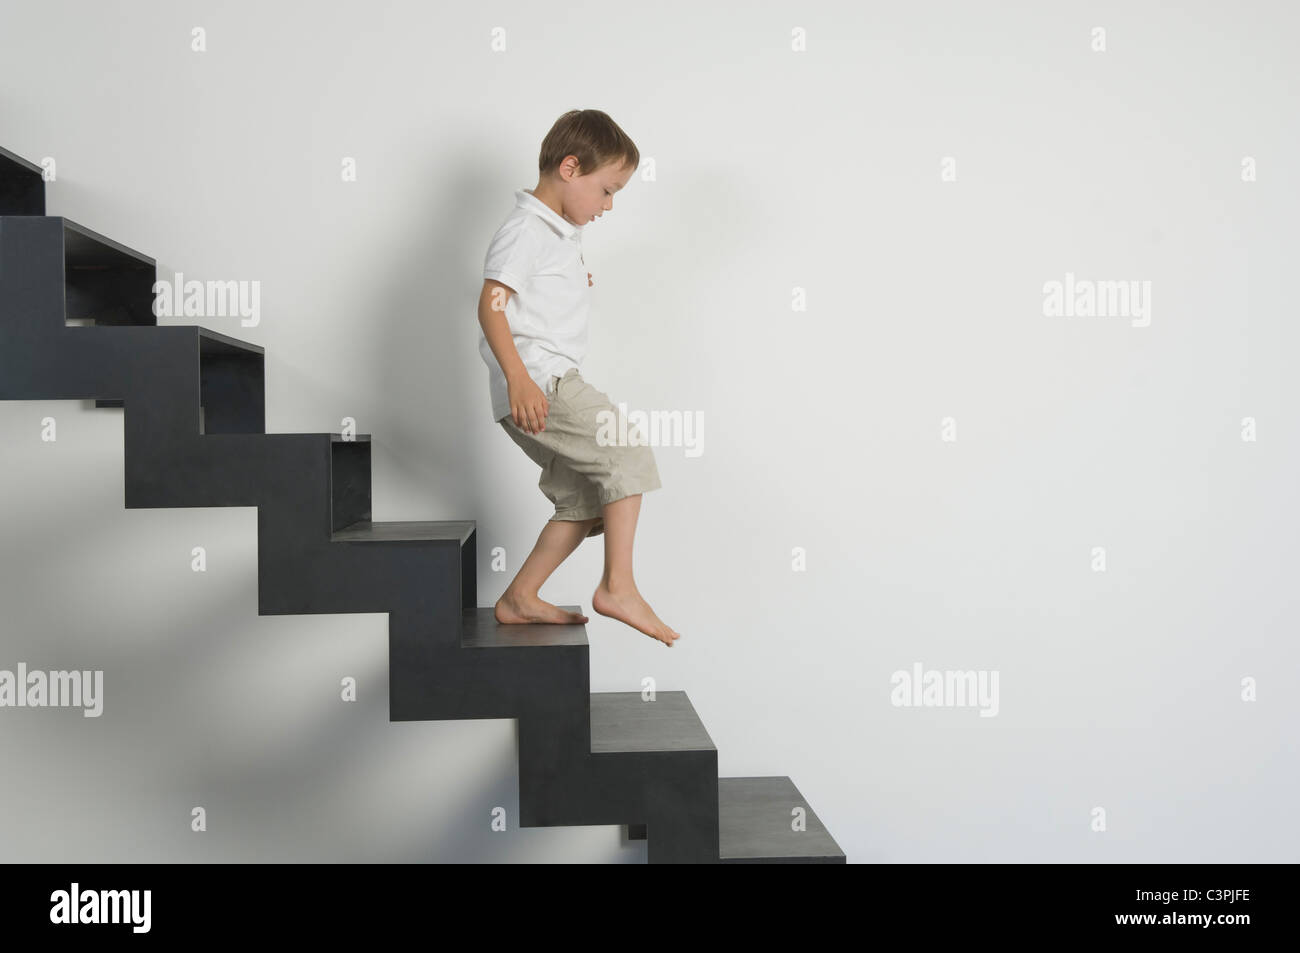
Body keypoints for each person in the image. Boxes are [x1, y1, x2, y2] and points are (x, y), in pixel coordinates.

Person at [476, 108, 681, 647]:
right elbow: (493, 305)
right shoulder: (527, 230)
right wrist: (519, 379)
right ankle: (619, 586)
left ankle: (520, 596)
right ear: (570, 168)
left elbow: (529, 297)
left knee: (585, 502)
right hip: (542, 383)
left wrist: (567, 277)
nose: (609, 205)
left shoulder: (553, 235)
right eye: (607, 190)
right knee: (628, 453)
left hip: (538, 383)